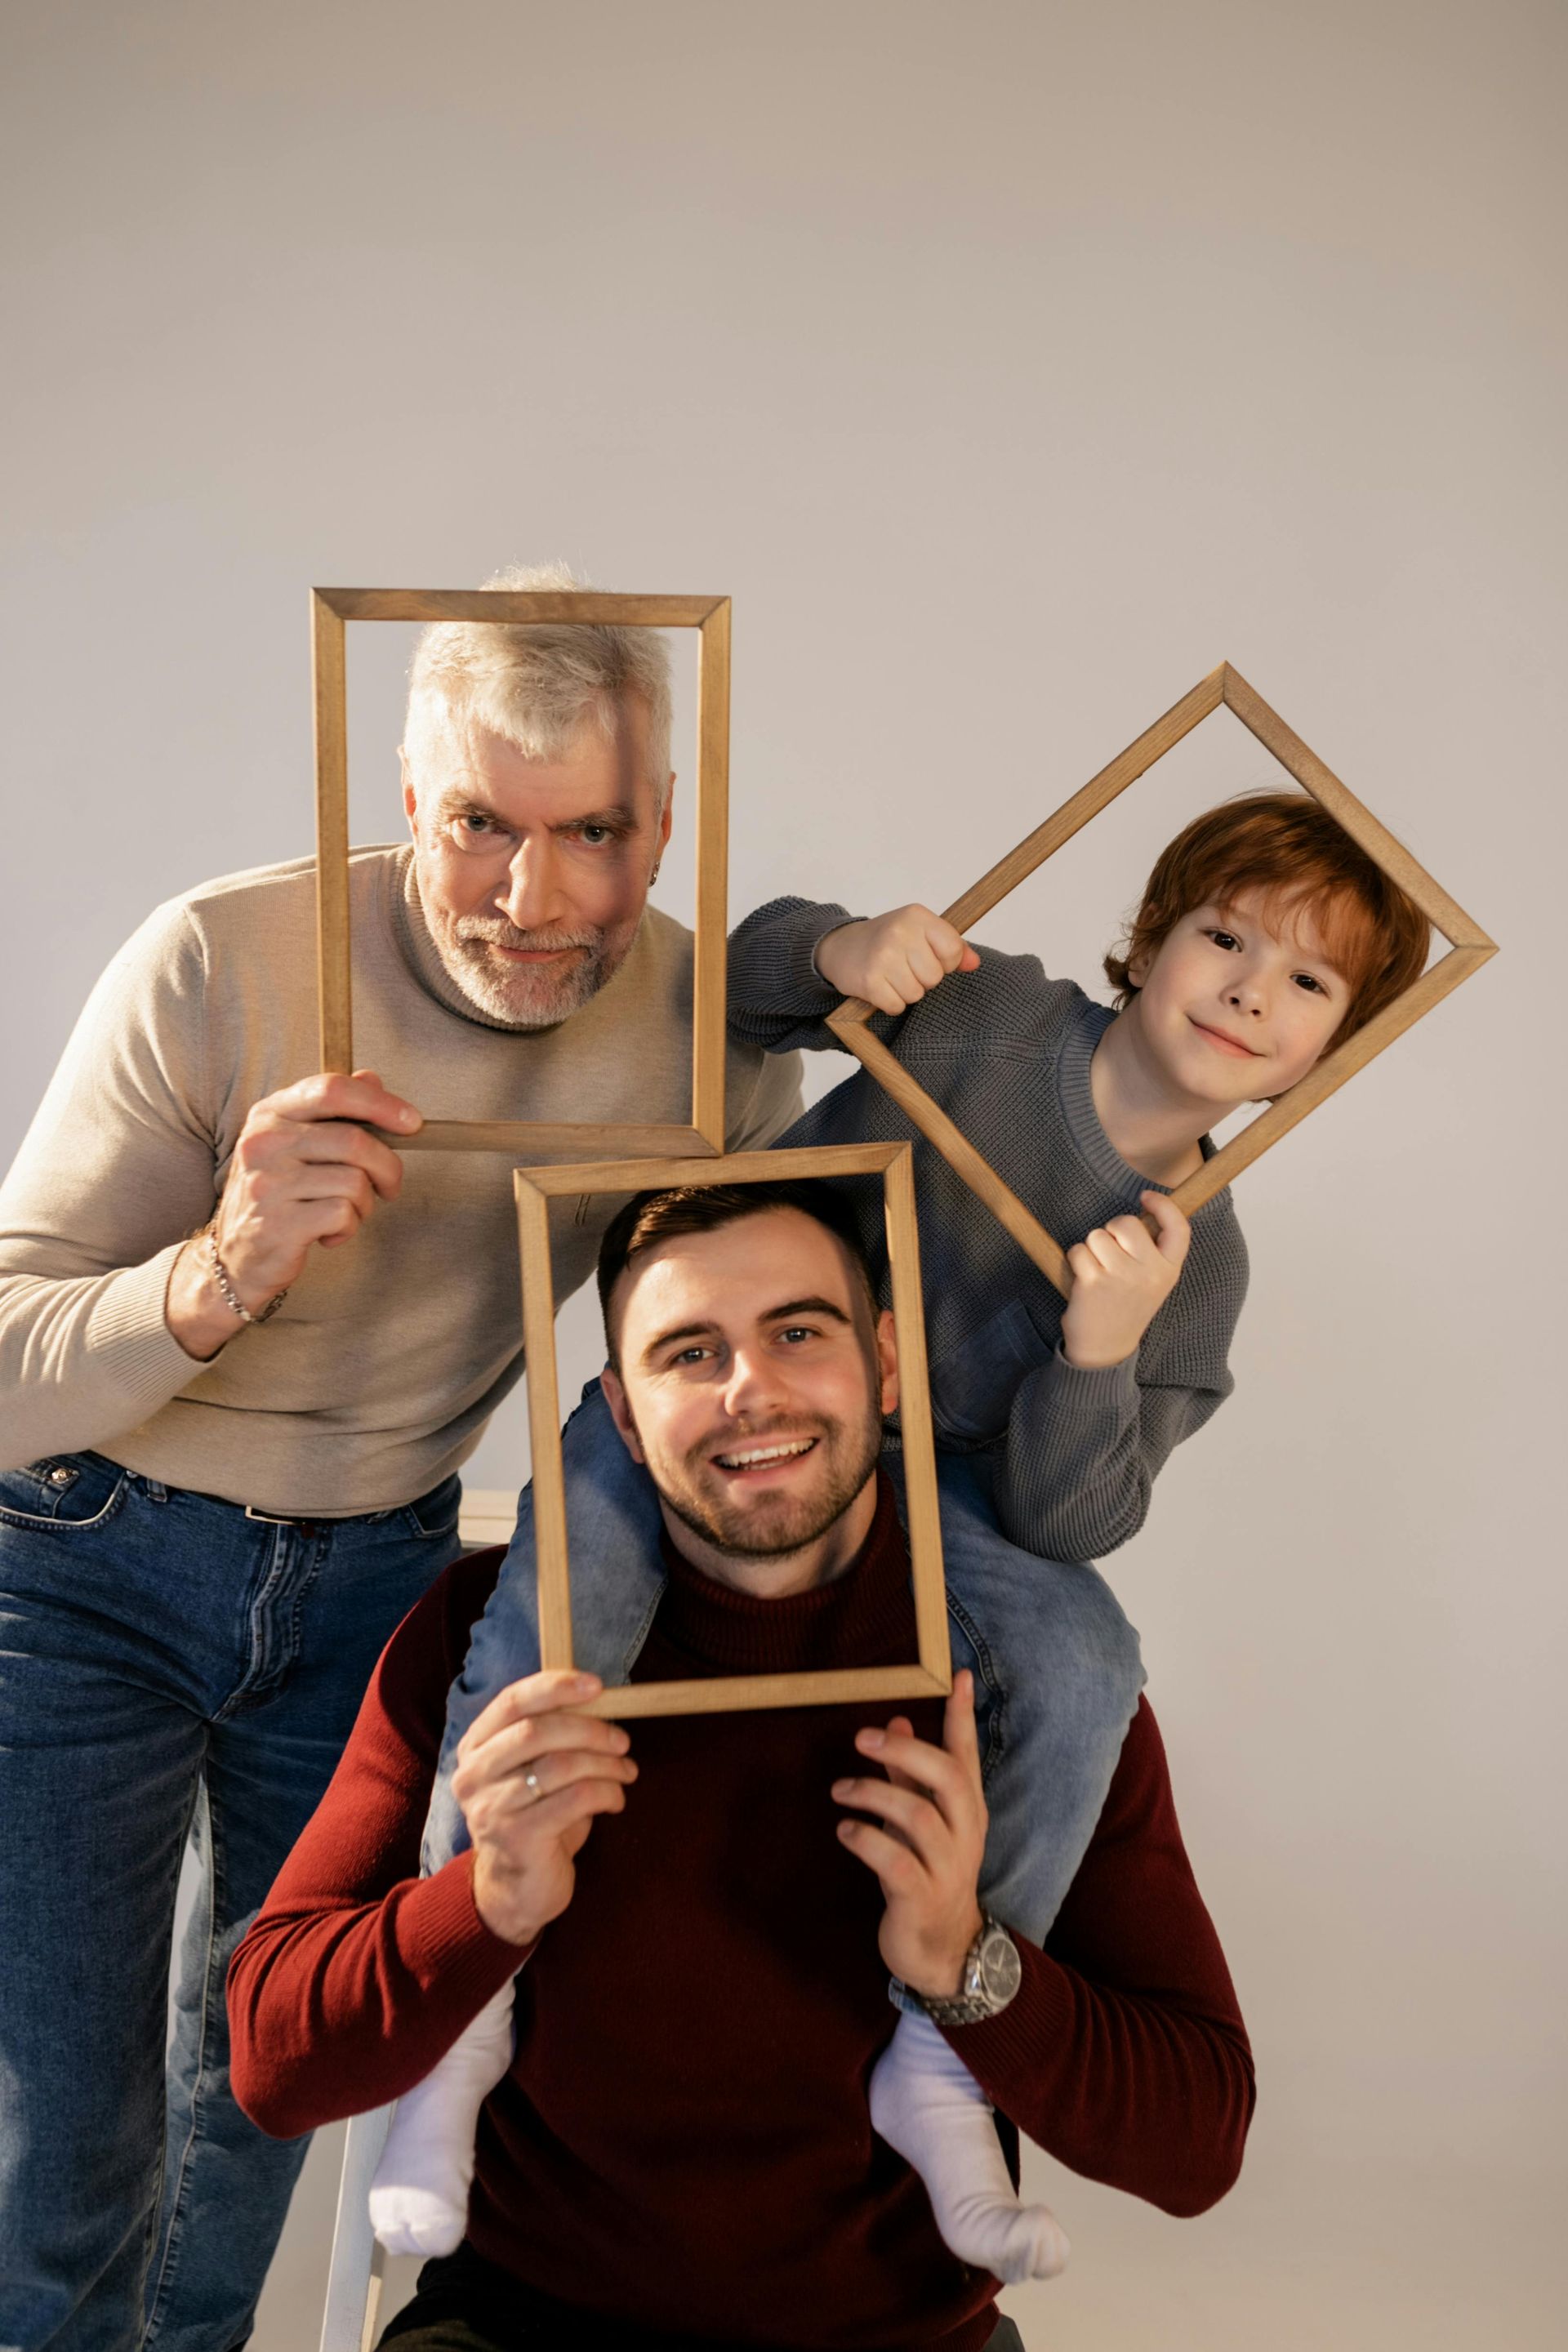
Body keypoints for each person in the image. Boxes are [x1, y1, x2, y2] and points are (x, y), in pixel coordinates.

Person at [371, 788, 1424, 2280]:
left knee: (1083, 1653)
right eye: (1226, 935)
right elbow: (738, 984)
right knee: (575, 1569)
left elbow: (1077, 1523)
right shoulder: (994, 1018)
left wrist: (1096, 1354)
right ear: (1152, 940)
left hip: (941, 1498)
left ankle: (934, 2058)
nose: (1253, 988)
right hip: (744, 1409)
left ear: (1339, 1046)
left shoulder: (1201, 1269)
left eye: (1308, 982)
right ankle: (466, 2017)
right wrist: (844, 951)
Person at [0, 568, 800, 2352]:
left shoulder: (708, 1045)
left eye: (593, 829)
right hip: (86, 1559)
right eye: (478, 829)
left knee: (260, 2095)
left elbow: (762, 1347)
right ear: (405, 809)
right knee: (65, 2129)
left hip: (381, 1571)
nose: (536, 899)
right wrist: (214, 1273)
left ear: (665, 816)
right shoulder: (222, 955)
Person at [228, 1181, 1255, 2352]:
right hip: (521, 2329)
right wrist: (486, 1903)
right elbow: (272, 2062)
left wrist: (965, 1962)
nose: (749, 1389)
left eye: (798, 1334)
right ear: (619, 1413)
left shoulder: (1015, 1678)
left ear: (883, 1365)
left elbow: (1198, 2142)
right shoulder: (493, 1639)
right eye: (689, 1352)